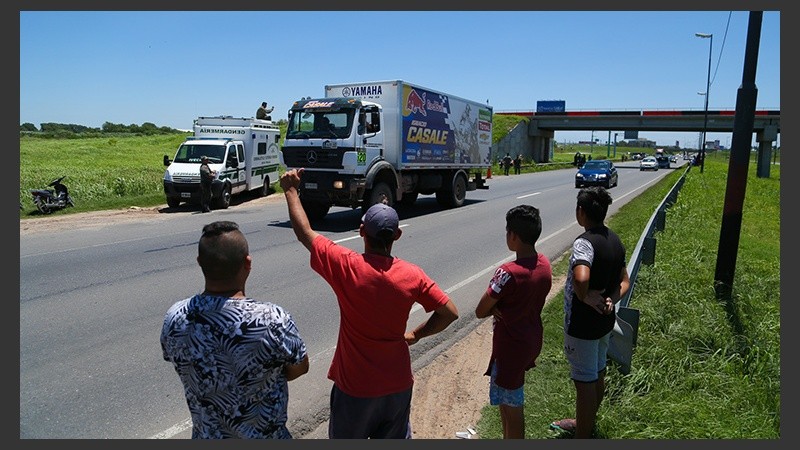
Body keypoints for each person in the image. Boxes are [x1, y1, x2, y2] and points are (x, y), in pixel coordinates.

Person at [279, 168, 459, 439]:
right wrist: (415, 335)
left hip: (355, 388)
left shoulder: (347, 266)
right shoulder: (413, 275)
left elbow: (305, 233)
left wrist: (291, 191)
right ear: (397, 236)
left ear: (362, 231)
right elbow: (449, 312)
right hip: (397, 384)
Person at [161, 220, 310, 439]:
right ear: (247, 263)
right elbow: (300, 367)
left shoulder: (175, 317)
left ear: (200, 262)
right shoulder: (272, 320)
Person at [550, 187, 630, 438]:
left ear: (581, 212)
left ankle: (582, 435)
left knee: (584, 381)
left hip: (582, 325)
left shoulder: (584, 243)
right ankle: (586, 422)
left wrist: (584, 296)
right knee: (598, 372)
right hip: (604, 321)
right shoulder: (614, 239)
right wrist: (611, 299)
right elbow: (625, 281)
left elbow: (581, 277)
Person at [475, 204, 552, 439]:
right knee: (507, 401)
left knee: (512, 407)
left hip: (511, 346)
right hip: (530, 339)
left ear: (514, 236)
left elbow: (480, 310)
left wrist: (494, 308)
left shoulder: (508, 273)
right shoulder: (544, 264)